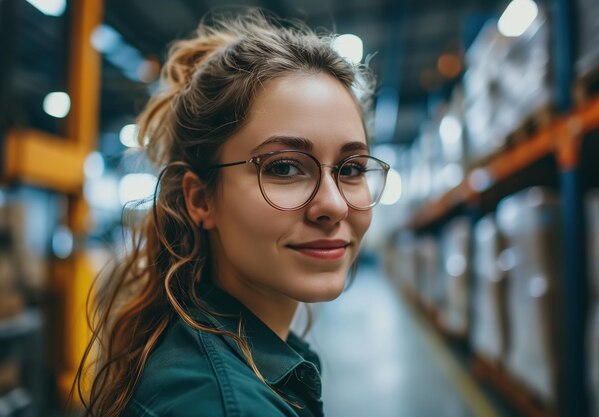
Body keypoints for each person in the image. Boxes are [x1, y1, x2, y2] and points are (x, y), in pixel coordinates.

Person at [75, 9, 389, 417]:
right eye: (284, 167)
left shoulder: (213, 355)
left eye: (351, 169)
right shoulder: (217, 403)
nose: (332, 204)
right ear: (201, 199)